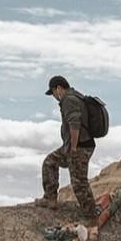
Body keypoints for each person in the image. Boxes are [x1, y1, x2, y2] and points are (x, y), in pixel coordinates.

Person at [37, 75, 99, 220]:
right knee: (50, 162)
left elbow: (74, 123)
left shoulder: (69, 100)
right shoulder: (74, 97)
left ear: (58, 88)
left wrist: (73, 147)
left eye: (53, 92)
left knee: (79, 182)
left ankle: (91, 217)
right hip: (77, 145)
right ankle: (50, 198)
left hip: (79, 147)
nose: (54, 96)